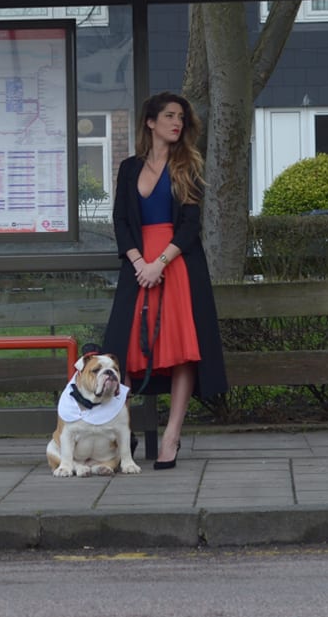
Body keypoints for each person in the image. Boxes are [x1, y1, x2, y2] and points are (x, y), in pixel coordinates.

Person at [101, 91, 227, 469]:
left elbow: (191, 226)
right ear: (150, 122)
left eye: (182, 118)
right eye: (170, 116)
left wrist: (160, 264)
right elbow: (121, 221)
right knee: (124, 350)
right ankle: (121, 433)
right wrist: (141, 263)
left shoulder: (189, 165)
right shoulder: (128, 168)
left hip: (177, 266)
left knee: (182, 347)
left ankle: (172, 434)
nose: (177, 123)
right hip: (138, 268)